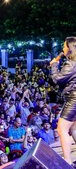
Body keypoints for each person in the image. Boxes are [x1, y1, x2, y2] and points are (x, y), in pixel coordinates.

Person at [50, 36, 76, 166]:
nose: (63, 48)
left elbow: (57, 79)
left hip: (73, 99)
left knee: (62, 129)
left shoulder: (71, 64)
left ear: (70, 48)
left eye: (64, 46)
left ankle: (67, 161)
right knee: (73, 129)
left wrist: (54, 65)